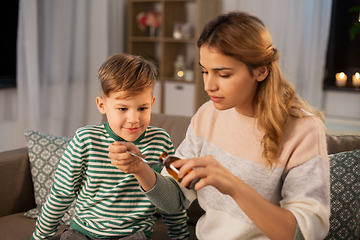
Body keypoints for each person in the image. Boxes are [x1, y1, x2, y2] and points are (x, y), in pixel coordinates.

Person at [109, 11, 330, 240]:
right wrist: (140, 169)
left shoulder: (303, 130)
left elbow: (306, 233)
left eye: (223, 74)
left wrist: (233, 186)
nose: (209, 85)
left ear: (261, 70)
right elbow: (175, 201)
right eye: (204, 71)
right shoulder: (207, 115)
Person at [31, 54, 189, 240]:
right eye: (123, 109)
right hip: (82, 233)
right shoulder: (85, 139)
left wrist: (181, 237)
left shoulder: (161, 140)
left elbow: (173, 201)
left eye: (142, 108)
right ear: (102, 105)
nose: (133, 119)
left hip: (134, 235)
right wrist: (39, 236)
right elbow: (61, 194)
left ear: (152, 103)